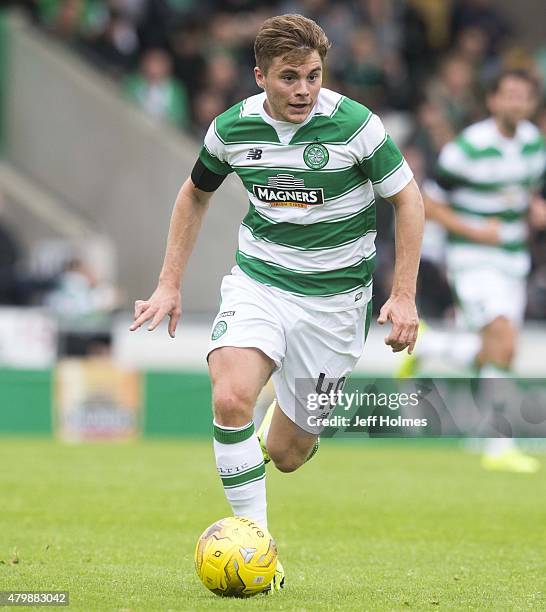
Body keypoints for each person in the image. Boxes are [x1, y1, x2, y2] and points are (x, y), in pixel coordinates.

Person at [130, 14, 423, 590]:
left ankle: (277, 432)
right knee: (232, 395)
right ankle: (257, 550)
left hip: (336, 304)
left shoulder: (356, 126)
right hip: (259, 281)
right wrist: (168, 283)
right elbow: (194, 194)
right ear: (259, 75)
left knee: (288, 454)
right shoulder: (232, 129)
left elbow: (408, 201)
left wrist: (404, 295)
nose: (304, 91)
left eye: (313, 76)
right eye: (290, 78)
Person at [423, 69, 546, 473]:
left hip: (513, 258)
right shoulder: (468, 148)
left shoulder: (533, 144)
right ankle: (499, 445)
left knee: (498, 350)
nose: (516, 103)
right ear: (492, 100)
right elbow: (428, 202)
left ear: (532, 103)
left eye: (523, 96)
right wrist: (474, 229)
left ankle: (432, 348)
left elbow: (521, 194)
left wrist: (533, 209)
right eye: (508, 95)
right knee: (503, 338)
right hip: (472, 258)